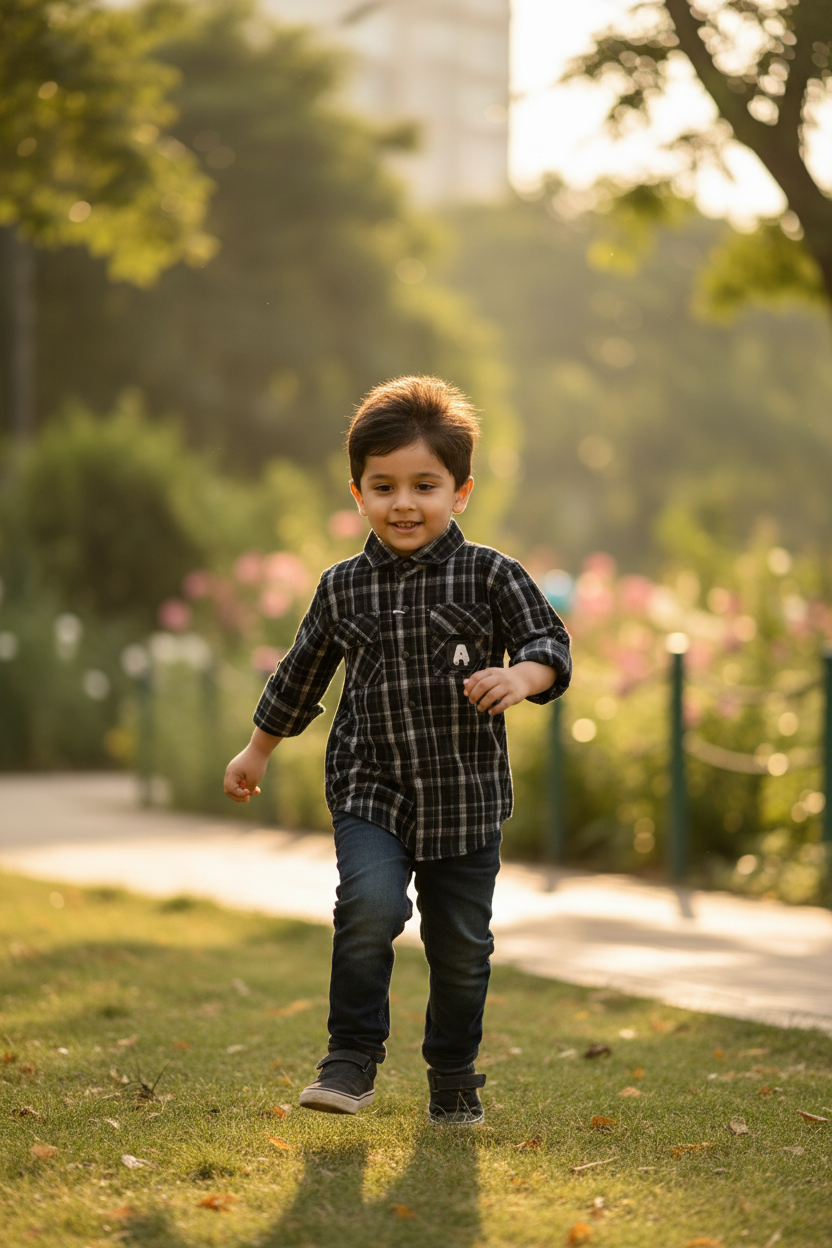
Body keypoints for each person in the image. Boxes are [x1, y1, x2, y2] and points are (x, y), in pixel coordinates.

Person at [223, 375, 571, 1125]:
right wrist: (256, 751)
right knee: (368, 908)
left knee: (460, 948)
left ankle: (453, 1075)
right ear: (357, 493)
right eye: (383, 486)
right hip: (369, 786)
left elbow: (550, 642)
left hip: (465, 796)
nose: (403, 503)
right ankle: (349, 1061)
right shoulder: (343, 587)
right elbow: (301, 673)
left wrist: (520, 674)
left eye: (424, 485)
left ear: (460, 490)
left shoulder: (489, 574)